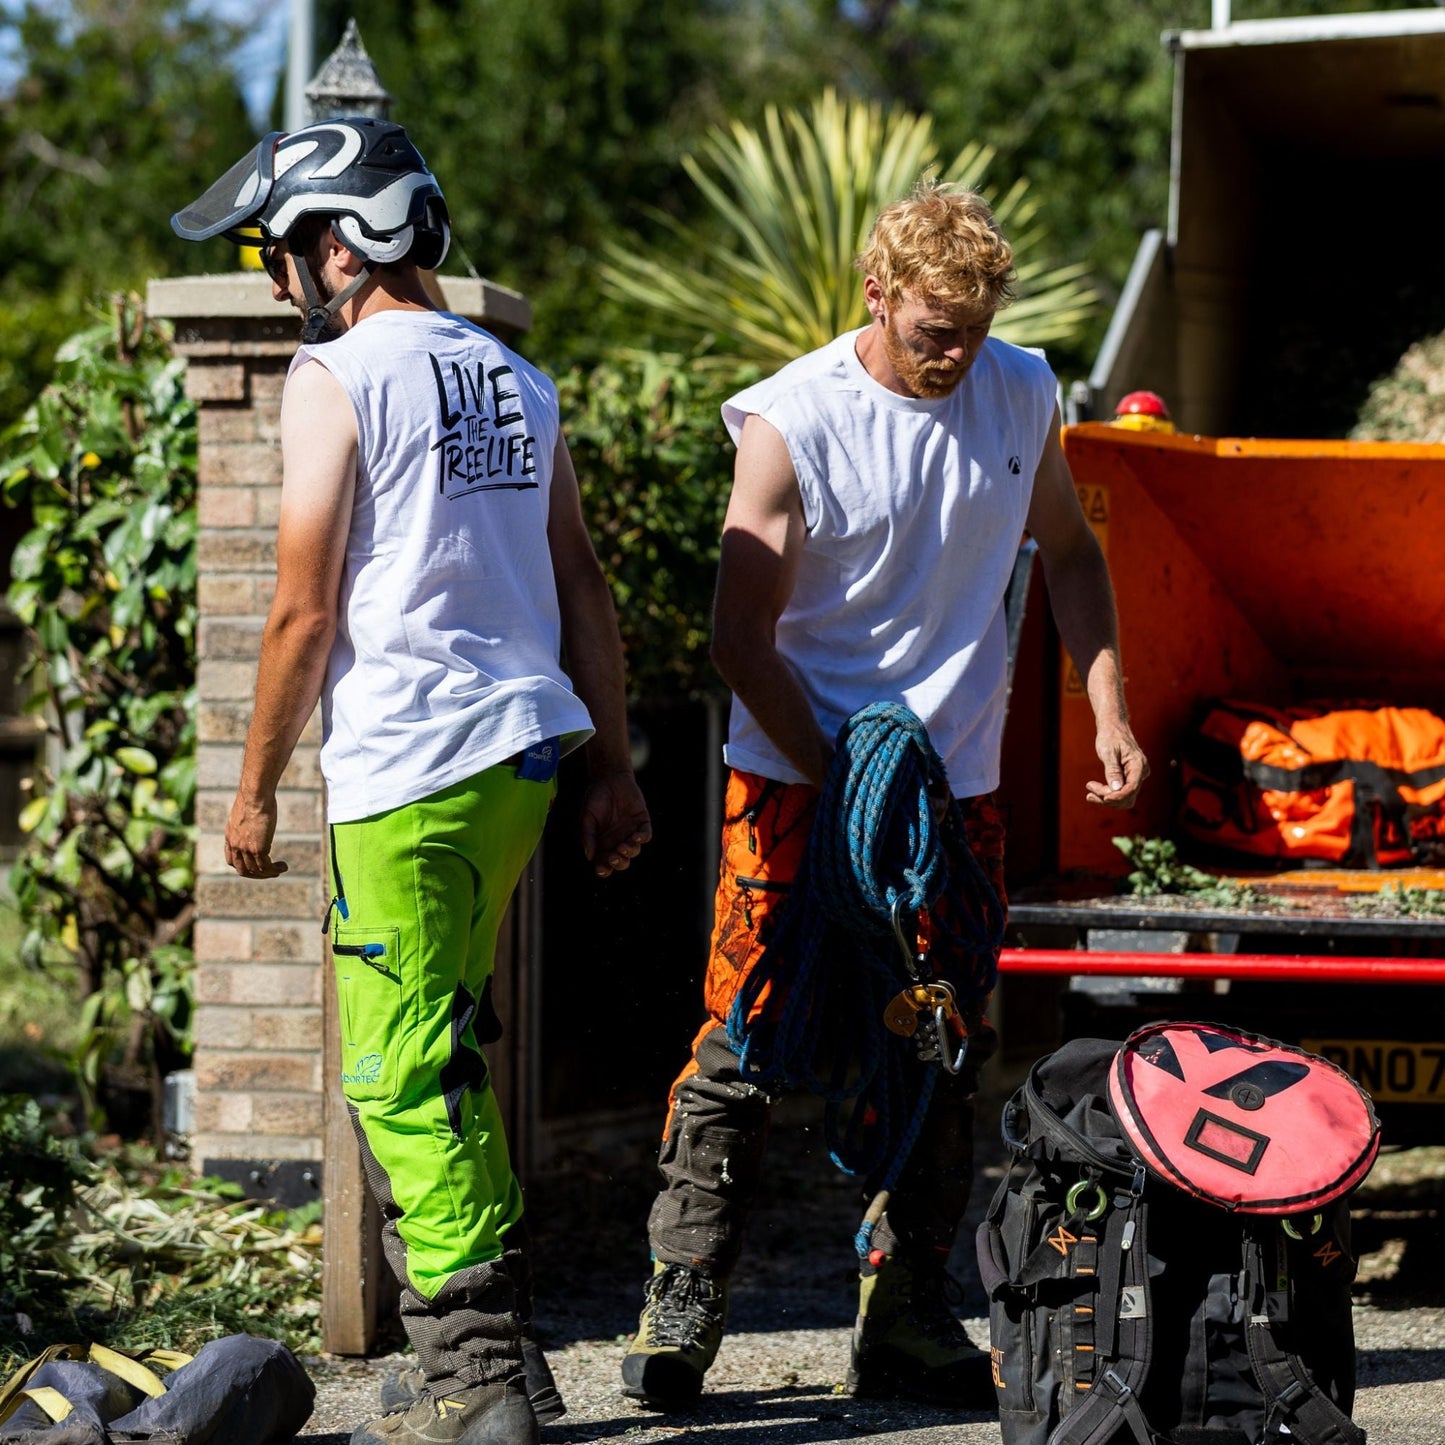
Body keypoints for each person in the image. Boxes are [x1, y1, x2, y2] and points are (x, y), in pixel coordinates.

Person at [620, 183, 1147, 1412]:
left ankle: (904, 1309)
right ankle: (682, 1293)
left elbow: (1070, 551)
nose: (952, 356)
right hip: (793, 781)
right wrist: (847, 773)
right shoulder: (791, 418)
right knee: (744, 1035)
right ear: (876, 291)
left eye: (972, 330)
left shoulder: (1021, 390)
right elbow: (736, 636)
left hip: (949, 798)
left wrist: (1108, 705)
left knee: (938, 1039)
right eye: (930, 331)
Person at [173, 118, 651, 1445]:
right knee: (442, 1043)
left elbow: (302, 609)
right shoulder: (515, 377)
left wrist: (255, 787)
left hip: (410, 764)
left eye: (278, 252)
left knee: (395, 1070)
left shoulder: (335, 377)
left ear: (341, 241)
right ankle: (507, 1360)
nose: (277, 280)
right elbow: (580, 582)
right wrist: (611, 765)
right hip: (517, 762)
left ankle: (476, 1377)